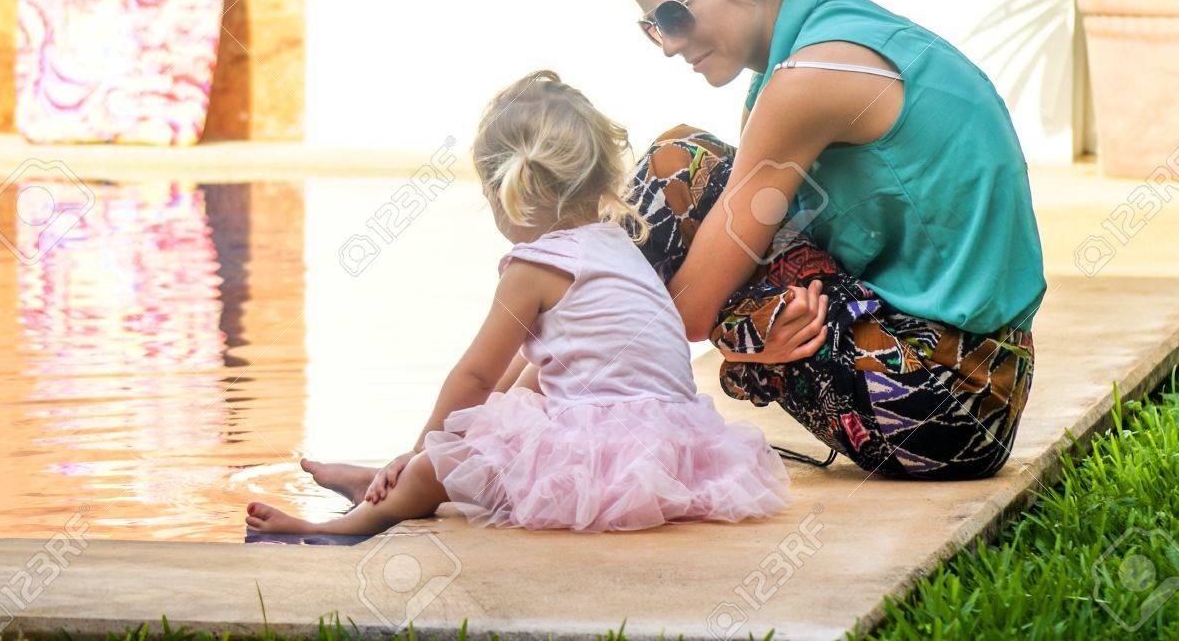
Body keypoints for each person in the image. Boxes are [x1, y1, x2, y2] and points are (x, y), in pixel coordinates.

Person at [615, 0, 1044, 479]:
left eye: (674, 15)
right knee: (687, 191)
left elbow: (691, 311)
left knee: (679, 165)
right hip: (969, 385)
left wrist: (737, 343)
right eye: (652, 27)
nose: (669, 44)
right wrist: (747, 340)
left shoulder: (805, 81)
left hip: (943, 401)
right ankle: (511, 403)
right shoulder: (825, 41)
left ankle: (508, 416)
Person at [247, 70, 791, 535]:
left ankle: (349, 524)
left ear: (507, 191)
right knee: (526, 390)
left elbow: (474, 378)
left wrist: (419, 452)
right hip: (678, 451)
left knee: (442, 463)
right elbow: (522, 374)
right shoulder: (614, 245)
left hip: (608, 460)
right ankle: (380, 483)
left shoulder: (534, 268)